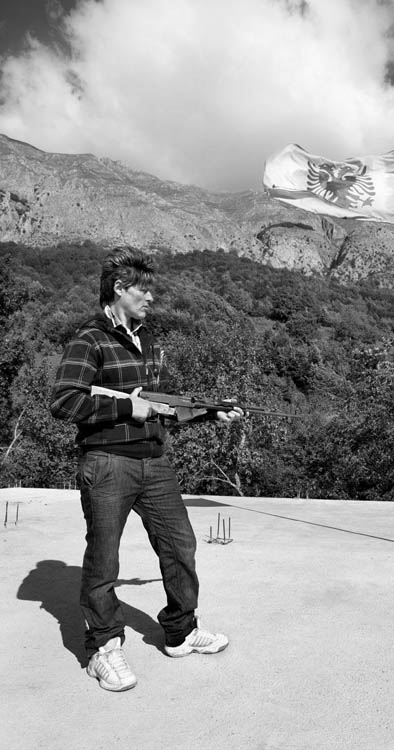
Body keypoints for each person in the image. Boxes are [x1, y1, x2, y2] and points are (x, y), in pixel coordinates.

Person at [50, 247, 243, 692]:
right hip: (107, 463)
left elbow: (161, 407)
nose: (151, 297)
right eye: (144, 290)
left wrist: (211, 412)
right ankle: (103, 647)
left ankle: (180, 630)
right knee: (104, 559)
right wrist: (124, 407)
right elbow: (64, 401)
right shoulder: (89, 340)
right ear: (119, 289)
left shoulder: (147, 341)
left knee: (180, 545)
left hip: (155, 462)